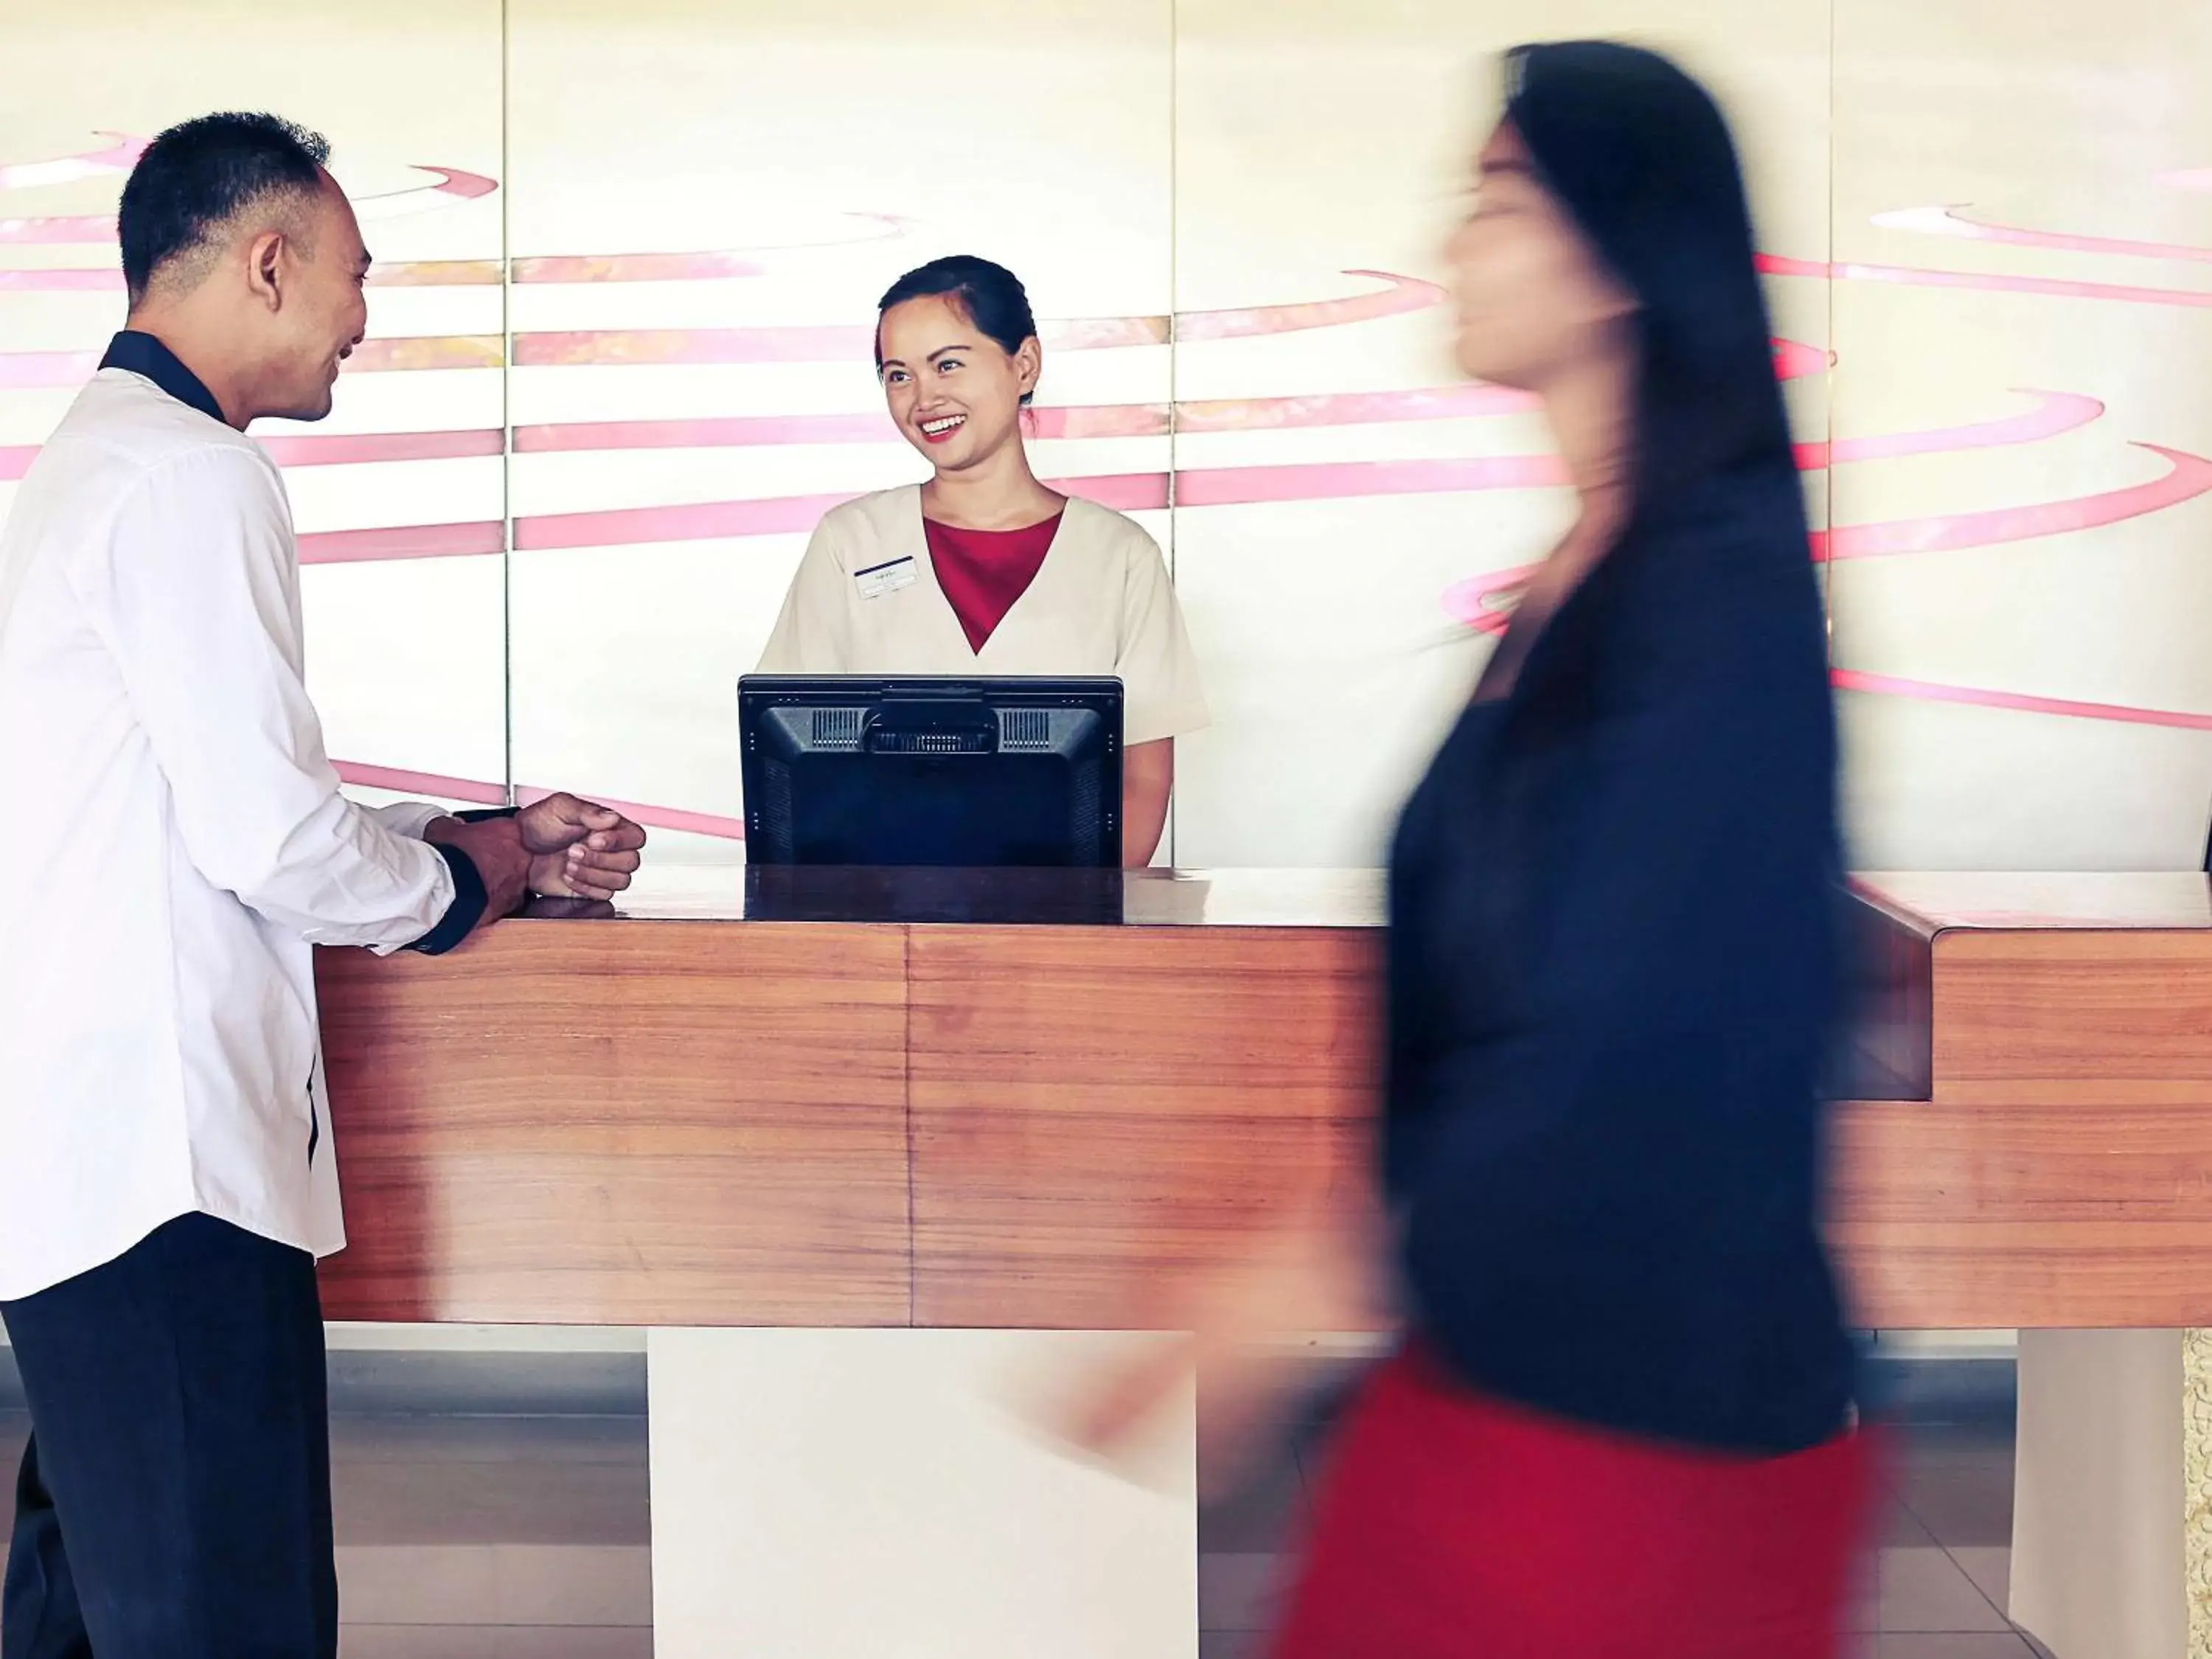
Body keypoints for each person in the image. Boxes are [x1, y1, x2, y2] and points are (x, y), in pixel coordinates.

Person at [1076, 42, 1872, 1658]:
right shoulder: (1580, 578)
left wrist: (1299, 1268)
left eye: (1498, 196)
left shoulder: (1711, 598)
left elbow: (1628, 1020)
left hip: (1644, 1437)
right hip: (1498, 1383)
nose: (1453, 242)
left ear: (1621, 254)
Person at [0, 112, 647, 1658]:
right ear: (269, 261)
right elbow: (272, 842)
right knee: (231, 1620)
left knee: (87, 1616)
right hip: (168, 1178)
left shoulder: (92, 465)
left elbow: (209, 792)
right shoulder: (187, 478)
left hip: (87, 1166)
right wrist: (477, 872)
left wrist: (476, 830)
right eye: (356, 274)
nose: (363, 316)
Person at [755, 255, 1208, 866]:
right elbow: (788, 758)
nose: (924, 398)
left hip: (1061, 941)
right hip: (883, 930)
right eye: (898, 375)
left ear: (1025, 364)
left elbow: (1142, 784)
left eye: (948, 364)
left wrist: (1052, 932)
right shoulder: (850, 541)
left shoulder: (1120, 556)